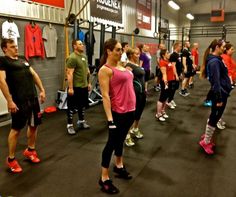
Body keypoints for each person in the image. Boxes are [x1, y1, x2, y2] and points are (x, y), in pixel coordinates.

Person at [0, 38, 46, 173]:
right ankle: (11, 159)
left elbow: (34, 74)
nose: (16, 48)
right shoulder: (3, 61)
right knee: (16, 129)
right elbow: (2, 81)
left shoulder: (22, 58)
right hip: (19, 101)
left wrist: (42, 89)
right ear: (5, 49)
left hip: (32, 98)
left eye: (16, 46)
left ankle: (30, 150)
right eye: (12, 47)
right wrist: (9, 100)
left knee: (34, 125)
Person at [98, 38, 136, 194]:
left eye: (122, 50)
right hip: (118, 112)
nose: (121, 52)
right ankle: (104, 177)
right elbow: (105, 96)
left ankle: (119, 165)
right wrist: (109, 119)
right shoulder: (105, 70)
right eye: (118, 50)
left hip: (130, 110)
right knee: (111, 143)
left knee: (121, 139)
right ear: (109, 51)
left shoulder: (122, 66)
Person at [199, 39, 231, 154]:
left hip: (222, 92)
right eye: (223, 46)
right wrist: (218, 98)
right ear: (217, 47)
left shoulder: (217, 59)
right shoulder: (214, 62)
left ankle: (207, 135)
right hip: (220, 94)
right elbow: (216, 82)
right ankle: (205, 142)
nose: (224, 48)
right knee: (215, 117)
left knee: (214, 116)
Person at [66, 39, 91, 135]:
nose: (82, 45)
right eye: (80, 44)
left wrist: (88, 83)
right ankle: (70, 125)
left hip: (83, 86)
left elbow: (87, 71)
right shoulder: (72, 58)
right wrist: (71, 88)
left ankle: (81, 121)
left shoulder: (84, 56)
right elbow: (69, 73)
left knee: (82, 105)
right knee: (71, 107)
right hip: (75, 87)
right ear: (74, 46)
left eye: (82, 44)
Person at [124, 47, 146, 146]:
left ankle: (135, 129)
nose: (138, 55)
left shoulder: (137, 65)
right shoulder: (128, 66)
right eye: (136, 54)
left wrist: (145, 89)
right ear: (130, 55)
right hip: (134, 94)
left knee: (139, 113)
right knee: (131, 116)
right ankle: (127, 135)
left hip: (142, 93)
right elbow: (126, 80)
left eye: (138, 54)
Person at [156, 49, 178, 121]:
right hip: (165, 82)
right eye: (167, 53)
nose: (169, 54)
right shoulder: (162, 62)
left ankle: (162, 111)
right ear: (163, 55)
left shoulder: (168, 61)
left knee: (165, 98)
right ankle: (158, 114)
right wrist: (165, 83)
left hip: (170, 81)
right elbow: (164, 74)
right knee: (162, 98)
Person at [167, 41, 182, 109]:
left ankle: (171, 99)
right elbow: (173, 66)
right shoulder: (173, 55)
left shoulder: (177, 55)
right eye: (180, 46)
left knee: (175, 88)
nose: (181, 47)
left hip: (177, 74)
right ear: (176, 47)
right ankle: (169, 101)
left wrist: (180, 73)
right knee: (172, 89)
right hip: (173, 75)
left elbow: (178, 65)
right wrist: (176, 75)